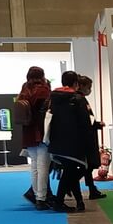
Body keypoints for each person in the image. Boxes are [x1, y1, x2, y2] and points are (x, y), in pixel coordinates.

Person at [44, 70, 91, 213]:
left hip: (56, 141)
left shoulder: (52, 98)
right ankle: (59, 202)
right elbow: (85, 122)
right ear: (76, 83)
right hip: (73, 142)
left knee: (70, 171)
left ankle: (79, 202)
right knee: (71, 172)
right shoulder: (77, 99)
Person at [15, 66, 52, 209]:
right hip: (41, 132)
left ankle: (37, 195)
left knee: (35, 166)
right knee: (43, 167)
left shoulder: (24, 89)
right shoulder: (44, 90)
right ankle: (41, 198)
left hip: (28, 133)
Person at [76, 75, 107, 201]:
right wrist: (97, 124)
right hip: (86, 138)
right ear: (81, 86)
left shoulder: (81, 99)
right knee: (89, 165)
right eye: (89, 87)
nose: (90, 90)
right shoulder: (80, 100)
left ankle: (92, 189)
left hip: (87, 136)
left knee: (88, 165)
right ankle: (70, 183)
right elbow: (86, 120)